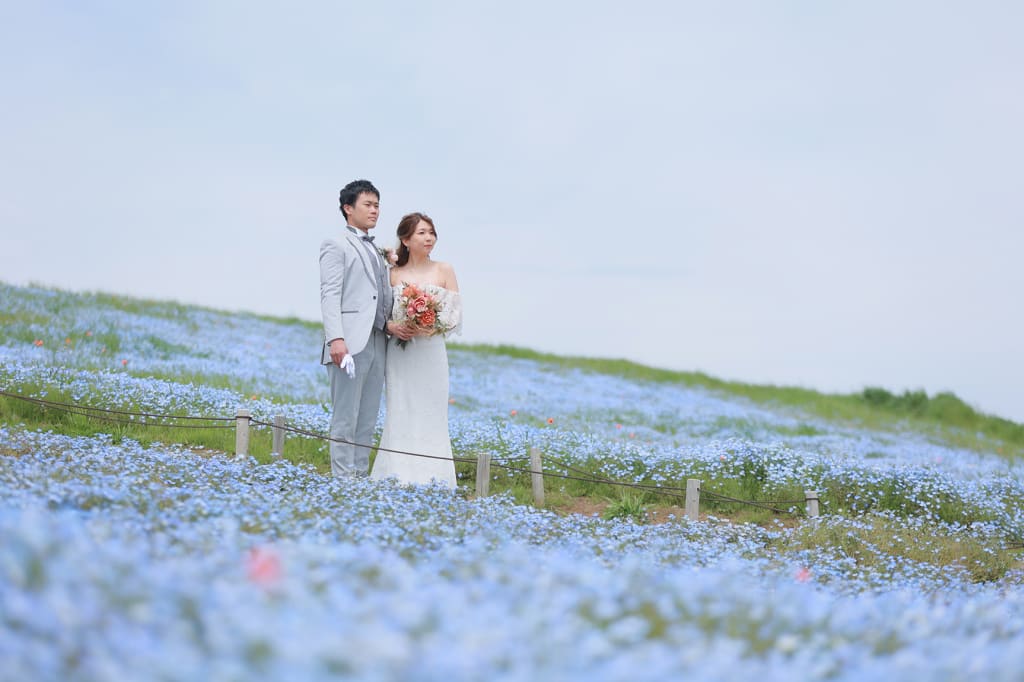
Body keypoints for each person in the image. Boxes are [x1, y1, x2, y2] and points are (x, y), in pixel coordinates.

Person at [319, 179, 413, 476]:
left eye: (377, 205)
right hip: (348, 342)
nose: (375, 210)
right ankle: (342, 481)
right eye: (368, 205)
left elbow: (377, 296)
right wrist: (335, 338)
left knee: (368, 418)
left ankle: (359, 478)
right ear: (348, 209)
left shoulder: (378, 251)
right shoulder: (336, 244)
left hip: (378, 340)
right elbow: (330, 294)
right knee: (346, 417)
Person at [370, 212, 462, 488]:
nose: (429, 238)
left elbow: (455, 314)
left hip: (431, 351)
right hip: (401, 352)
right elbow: (381, 311)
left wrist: (429, 327)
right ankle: (397, 475)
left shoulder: (444, 269)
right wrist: (393, 327)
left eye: (431, 232)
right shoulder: (393, 273)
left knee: (431, 410)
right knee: (401, 407)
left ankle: (436, 479)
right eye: (422, 233)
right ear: (405, 239)